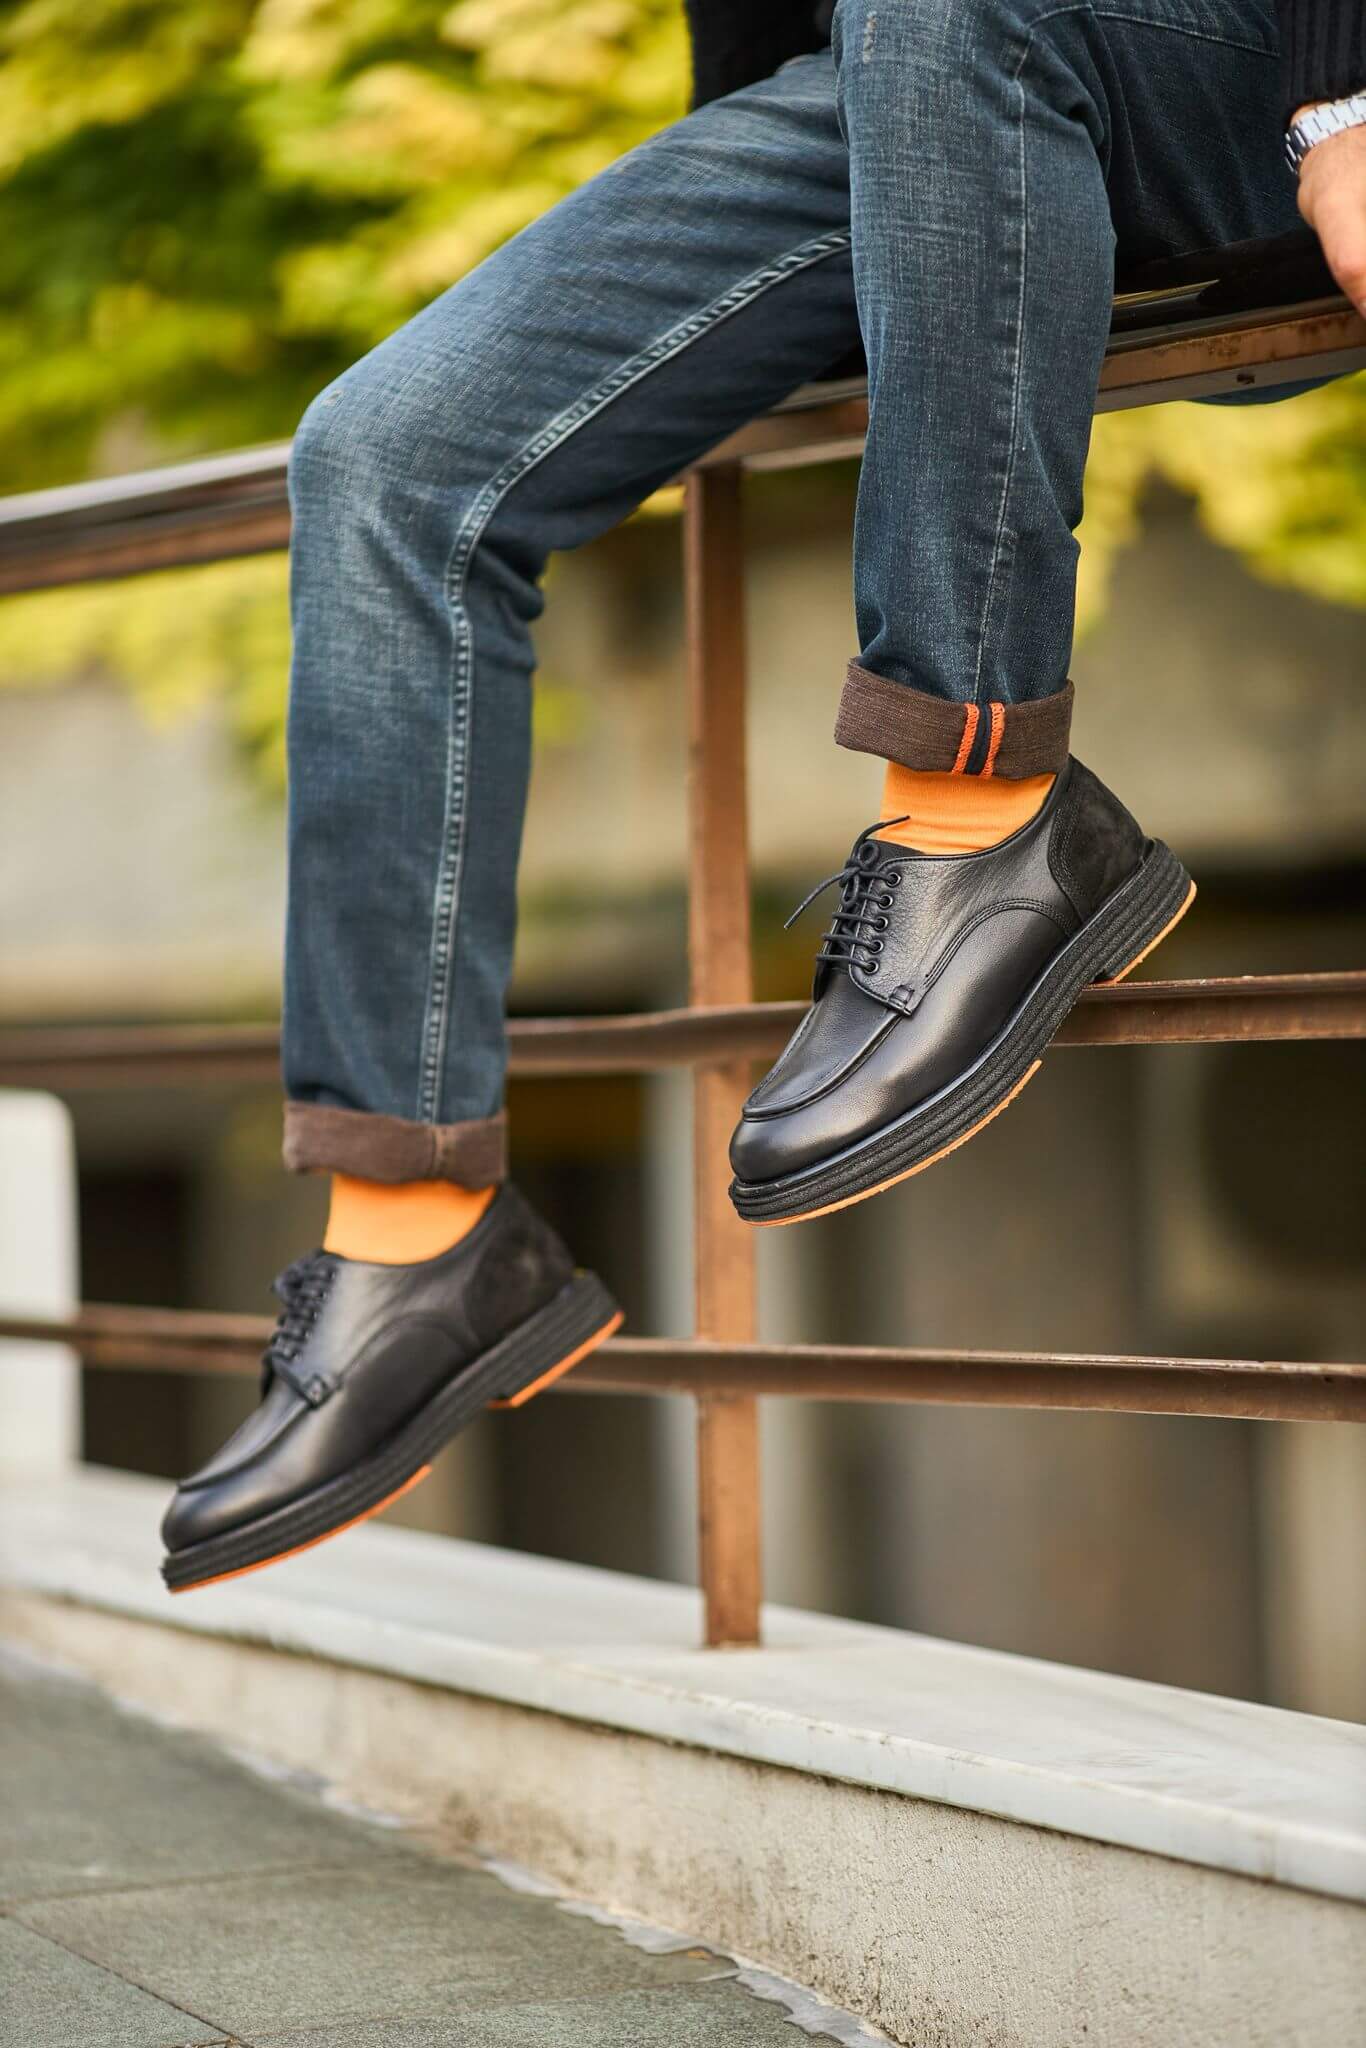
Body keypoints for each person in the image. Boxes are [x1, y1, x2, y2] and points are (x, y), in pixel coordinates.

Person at [160, 0, 1366, 1590]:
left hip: (1235, 67)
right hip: (925, 68)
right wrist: (826, 177)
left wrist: (1340, 98)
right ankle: (412, 1242)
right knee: (387, 461)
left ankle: (979, 812)